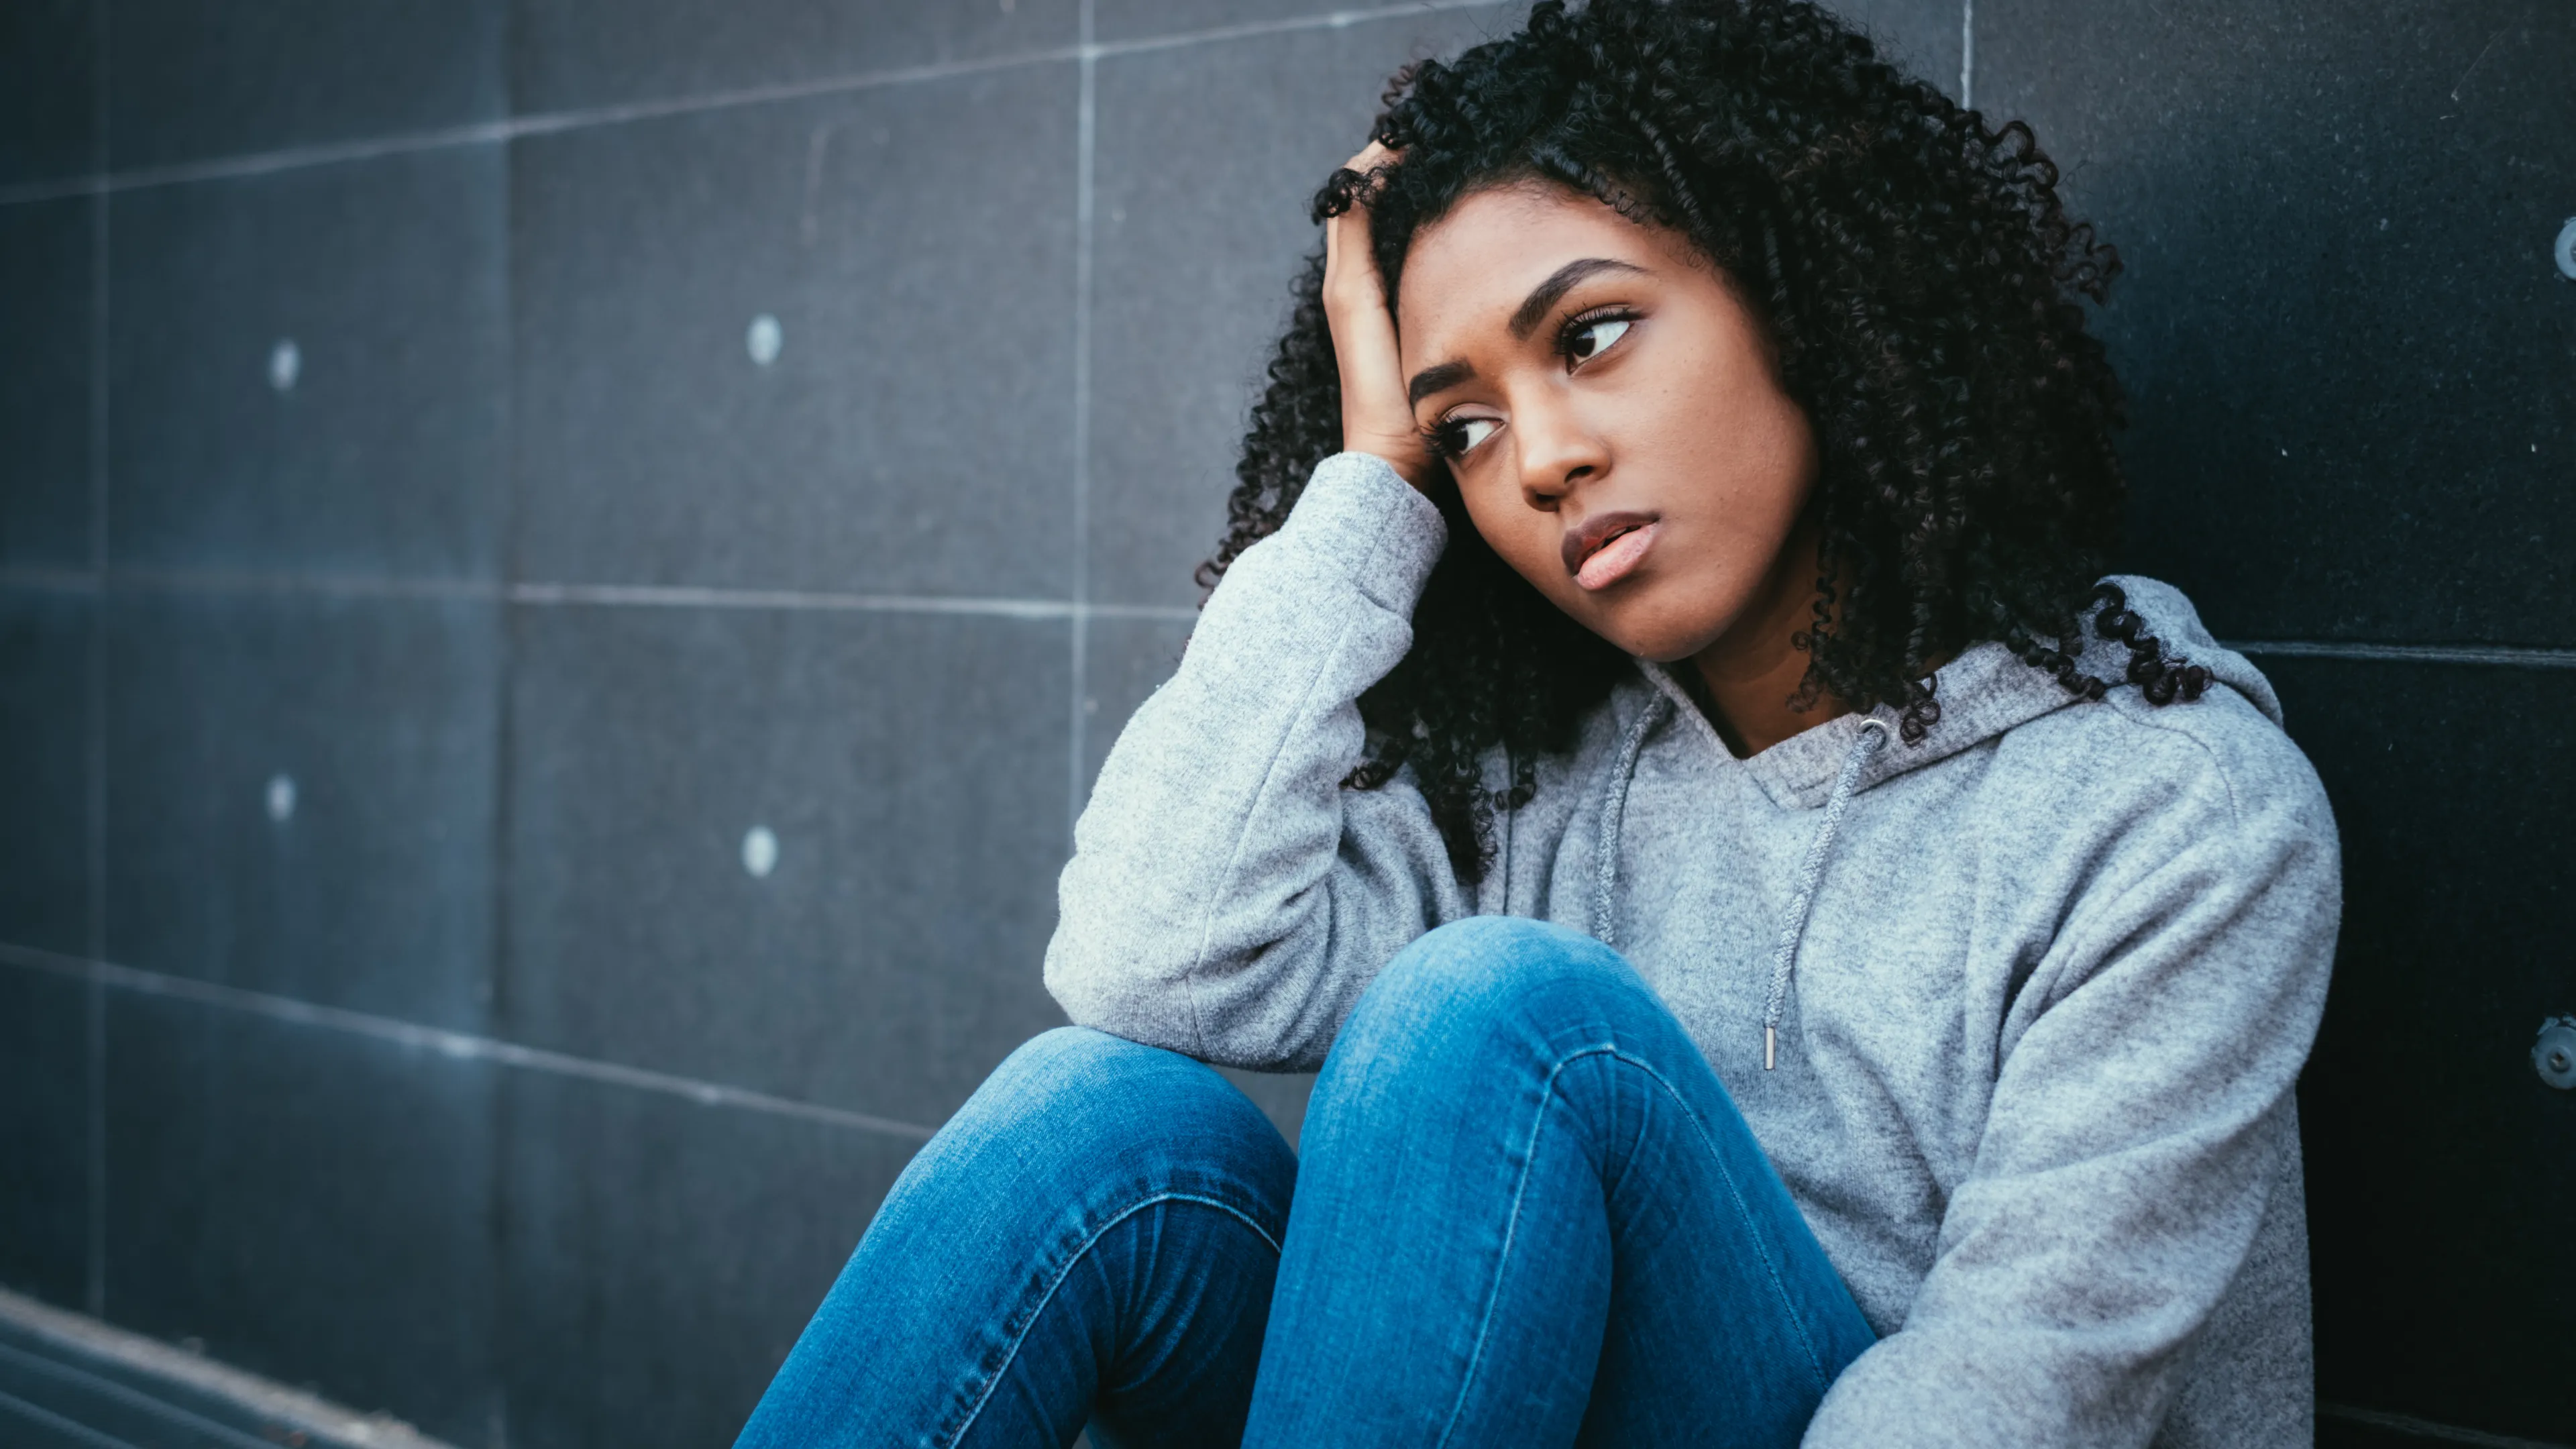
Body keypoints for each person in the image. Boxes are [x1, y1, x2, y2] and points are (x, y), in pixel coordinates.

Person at [735, 0, 2341, 1444]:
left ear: (1802, 298)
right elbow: (1150, 954)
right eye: (1469, 428)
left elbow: (2018, 1395)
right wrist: (1370, 480)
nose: (1544, 460)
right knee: (1098, 1123)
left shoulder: (2173, 813)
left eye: (1591, 337)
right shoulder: (1551, 789)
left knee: (1501, 1014)